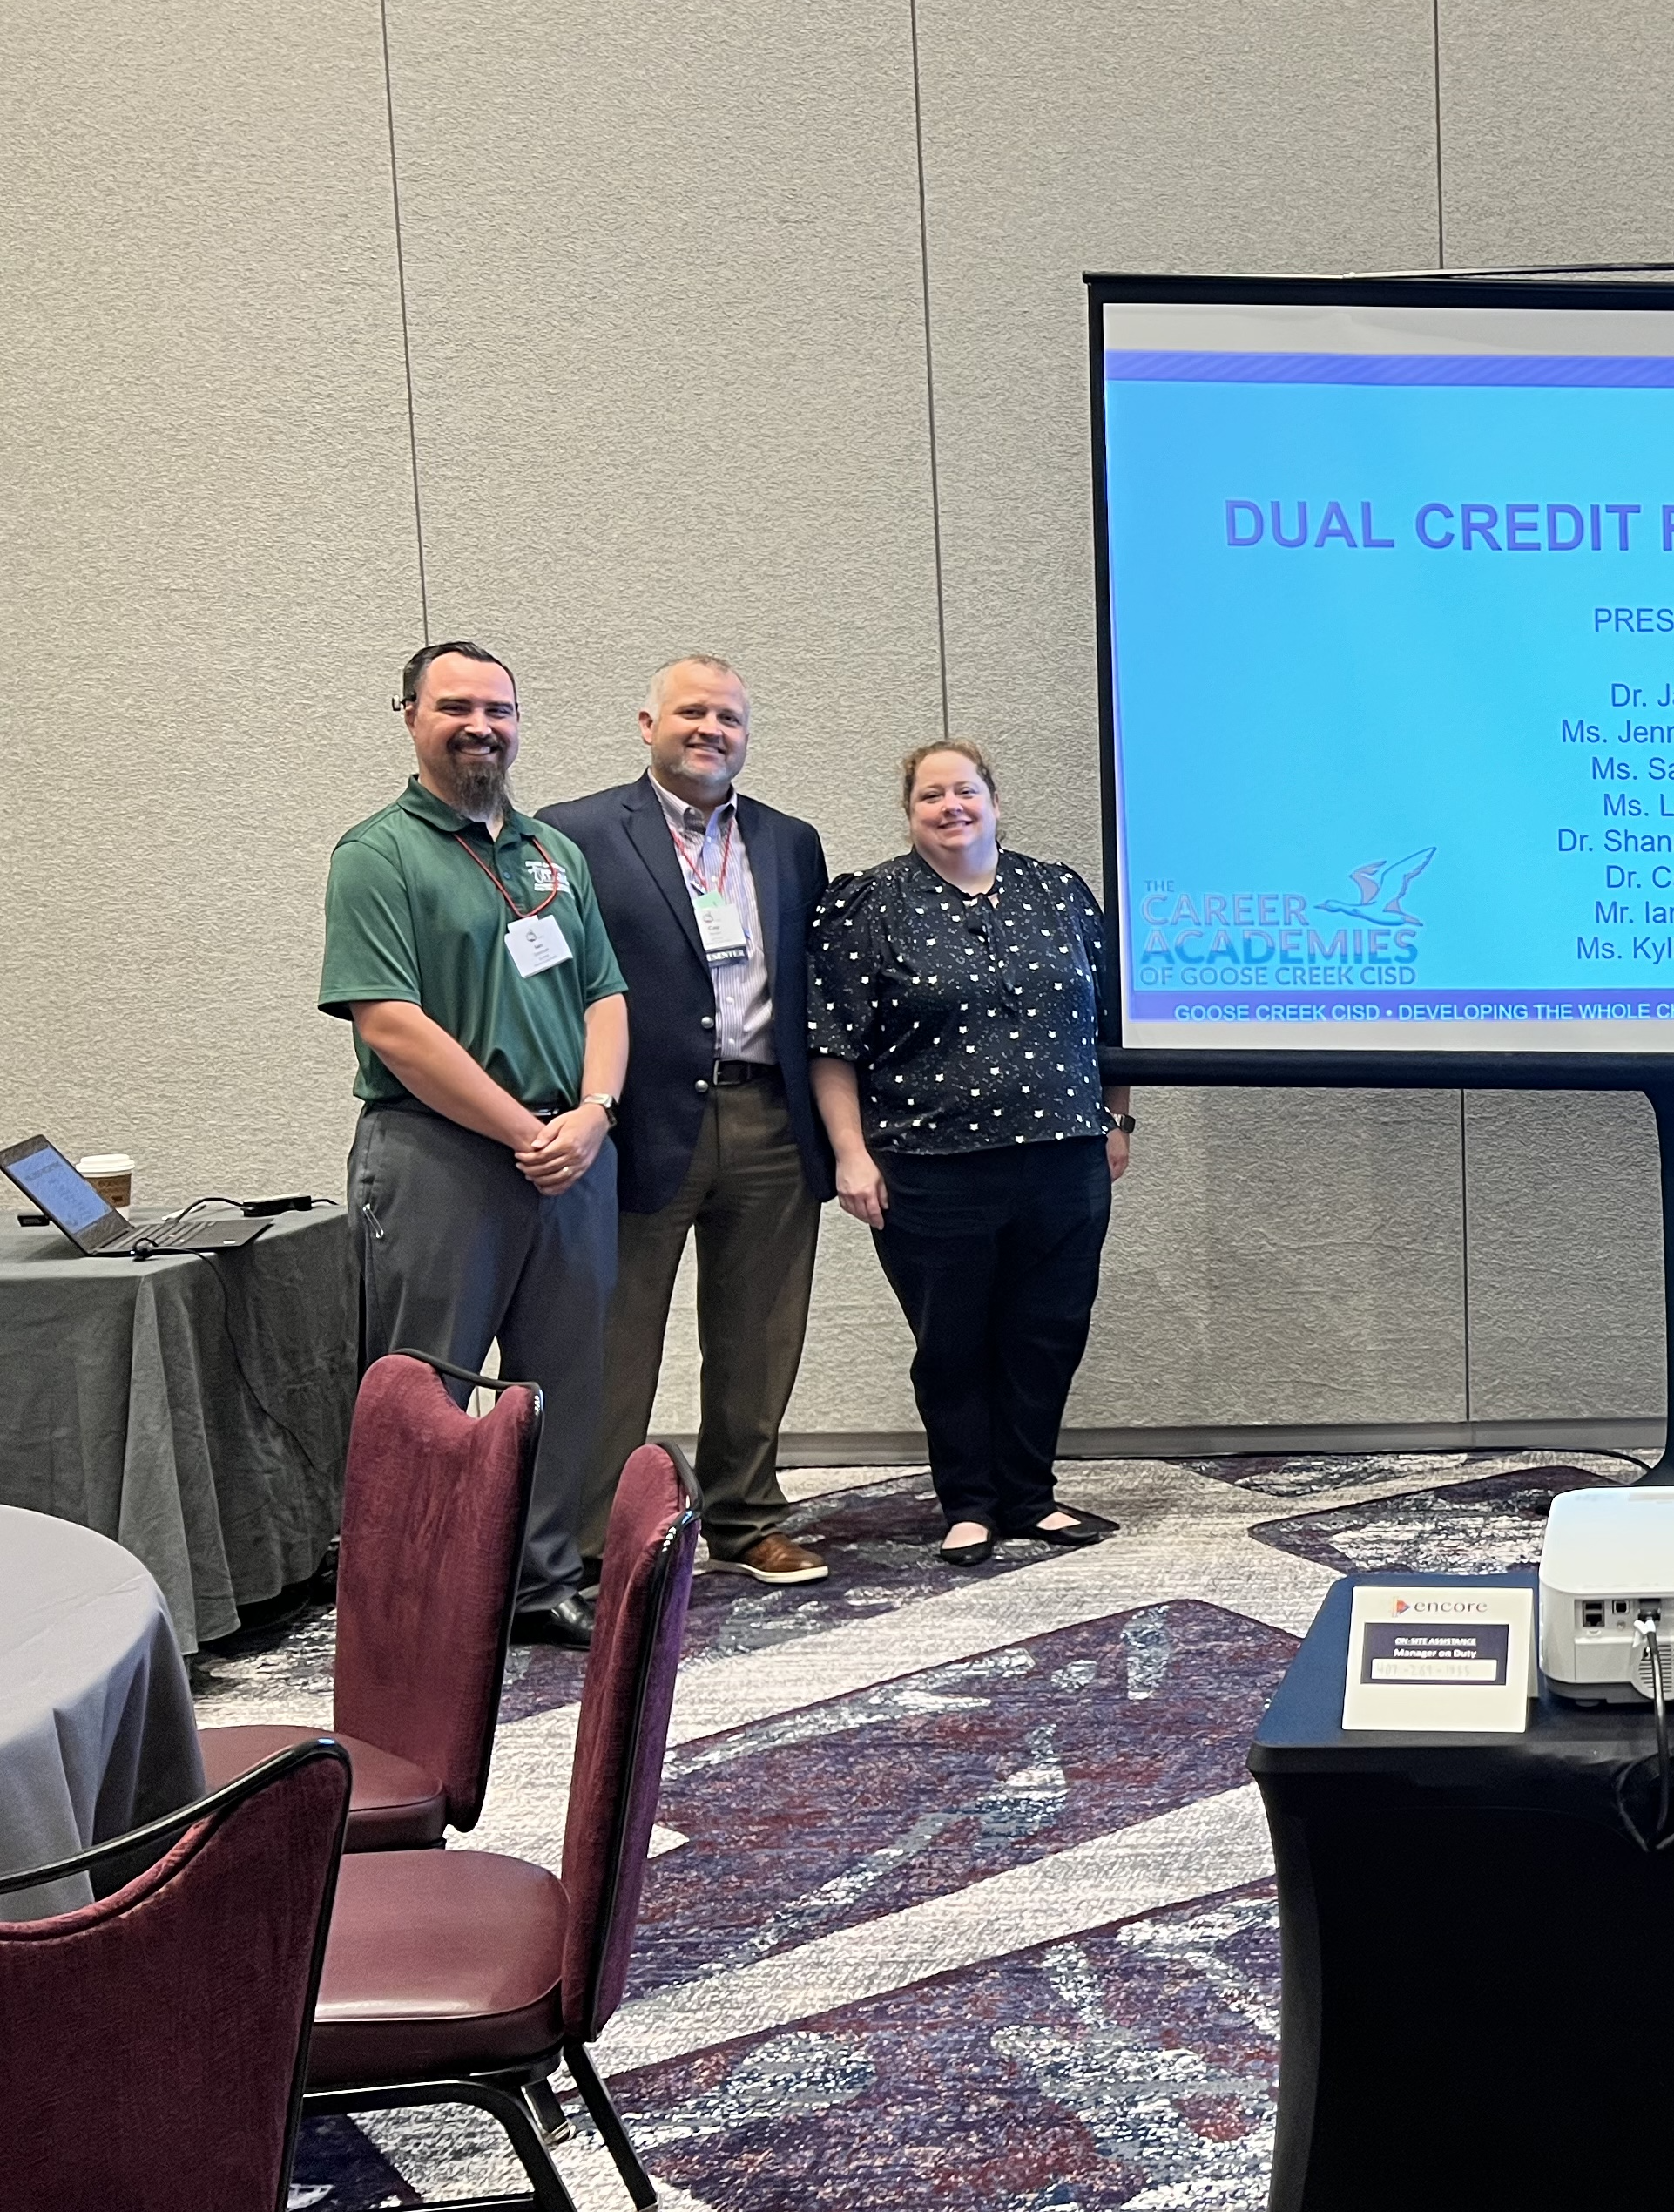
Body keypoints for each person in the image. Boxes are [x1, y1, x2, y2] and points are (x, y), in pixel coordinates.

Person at [319, 641, 627, 1648]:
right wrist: (525, 1129)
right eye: (455, 705)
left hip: (571, 1154)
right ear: (409, 715)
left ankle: (540, 1586)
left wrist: (594, 1115)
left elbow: (606, 994)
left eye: (499, 707)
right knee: (426, 1391)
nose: (481, 724)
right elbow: (391, 1025)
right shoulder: (377, 853)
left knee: (562, 1383)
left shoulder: (552, 853)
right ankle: (419, 1601)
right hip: (438, 1156)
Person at [541, 656, 836, 1590]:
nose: (711, 729)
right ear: (646, 723)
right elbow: (551, 979)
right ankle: (591, 1543)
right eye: (692, 713)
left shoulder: (792, 843)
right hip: (637, 1120)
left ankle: (747, 1517)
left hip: (771, 1115)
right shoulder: (576, 833)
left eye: (730, 718)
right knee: (613, 1338)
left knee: (759, 1333)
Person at [809, 741, 1134, 1564]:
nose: (951, 807)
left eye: (965, 791)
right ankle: (969, 1502)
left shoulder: (1057, 891)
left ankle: (1031, 1494)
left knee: (1048, 1331)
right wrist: (851, 1154)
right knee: (952, 1341)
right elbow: (832, 1043)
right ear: (909, 810)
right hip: (930, 1165)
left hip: (1065, 1156)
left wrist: (1119, 1121)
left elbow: (1112, 1024)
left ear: (993, 799)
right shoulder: (868, 903)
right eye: (931, 796)